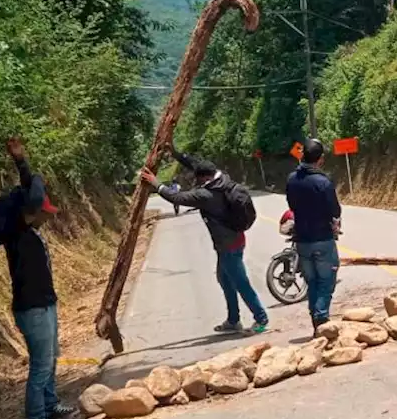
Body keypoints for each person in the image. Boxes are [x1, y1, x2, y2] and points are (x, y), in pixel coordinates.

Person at [139, 152, 268, 335]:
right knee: (225, 280)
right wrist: (174, 152)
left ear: (205, 177)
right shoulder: (221, 178)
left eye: (198, 180)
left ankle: (261, 319)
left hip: (229, 245)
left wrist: (156, 184)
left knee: (240, 282)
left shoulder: (206, 195)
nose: (196, 182)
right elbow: (195, 163)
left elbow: (177, 198)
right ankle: (233, 320)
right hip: (231, 241)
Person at [2, 138, 75, 419]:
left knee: (51, 356)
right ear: (33, 211)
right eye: (45, 211)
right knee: (41, 363)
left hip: (45, 303)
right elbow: (29, 193)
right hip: (31, 307)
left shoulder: (32, 231)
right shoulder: (16, 231)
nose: (49, 216)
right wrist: (22, 164)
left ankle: (50, 404)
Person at [286, 139, 342, 334]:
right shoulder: (323, 182)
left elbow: (292, 205)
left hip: (302, 240)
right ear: (321, 160)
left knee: (312, 282)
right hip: (322, 239)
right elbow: (335, 209)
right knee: (326, 281)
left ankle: (316, 320)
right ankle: (321, 319)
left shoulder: (292, 179)